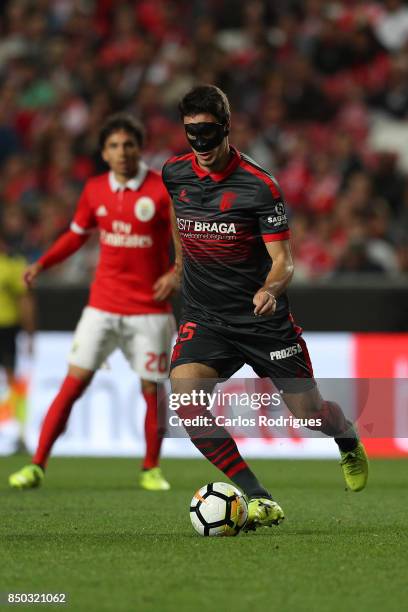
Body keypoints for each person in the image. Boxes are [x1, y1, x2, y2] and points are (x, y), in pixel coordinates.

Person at [162, 85, 368, 530]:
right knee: (187, 401)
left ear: (227, 127)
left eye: (209, 134)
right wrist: (180, 263)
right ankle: (258, 496)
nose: (202, 147)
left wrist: (271, 289)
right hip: (206, 318)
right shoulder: (174, 173)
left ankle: (346, 435)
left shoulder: (259, 186)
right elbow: (177, 218)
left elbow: (284, 261)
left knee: (310, 415)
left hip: (262, 320)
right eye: (191, 134)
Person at [9, 113, 177, 491]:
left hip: (149, 309)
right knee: (72, 384)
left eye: (129, 144)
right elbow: (75, 235)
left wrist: (177, 272)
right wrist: (43, 263)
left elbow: (184, 238)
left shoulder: (160, 189)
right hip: (102, 305)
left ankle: (151, 467)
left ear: (140, 148)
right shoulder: (95, 189)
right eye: (114, 146)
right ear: (104, 152)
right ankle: (37, 464)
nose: (122, 152)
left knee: (151, 388)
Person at [0, 233, 35, 452]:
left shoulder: (12, 266)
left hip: (6, 329)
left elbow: (24, 300)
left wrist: (30, 333)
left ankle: (20, 433)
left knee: (14, 381)